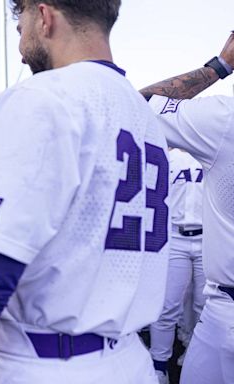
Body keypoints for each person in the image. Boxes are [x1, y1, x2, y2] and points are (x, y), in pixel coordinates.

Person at [0, 2, 170, 384]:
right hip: (129, 360)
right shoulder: (142, 113)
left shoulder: (42, 96)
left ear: (44, 17)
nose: (20, 35)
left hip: (44, 364)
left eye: (21, 19)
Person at [138, 31, 234, 384]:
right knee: (170, 310)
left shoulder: (225, 120)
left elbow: (139, 104)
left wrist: (221, 65)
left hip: (227, 310)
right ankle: (162, 366)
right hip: (190, 252)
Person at [149, 149, 204, 384]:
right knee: (167, 306)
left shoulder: (210, 151)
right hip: (174, 237)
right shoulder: (167, 156)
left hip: (209, 238)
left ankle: (197, 358)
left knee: (206, 307)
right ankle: (159, 367)